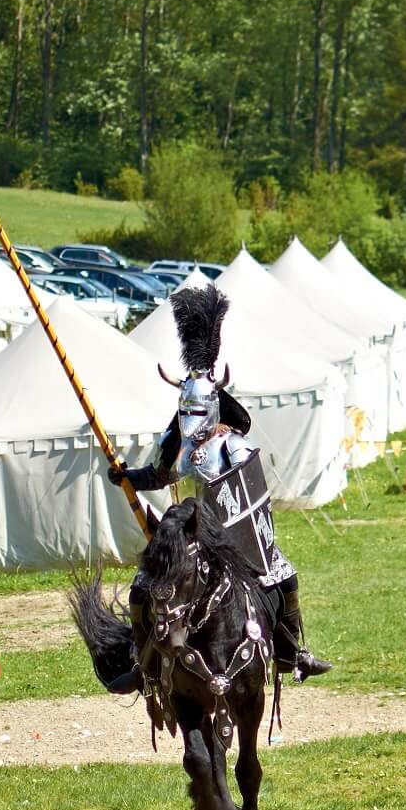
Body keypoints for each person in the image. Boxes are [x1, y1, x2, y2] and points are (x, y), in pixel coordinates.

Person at [107, 285, 331, 687]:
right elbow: (160, 477)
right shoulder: (176, 446)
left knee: (286, 575)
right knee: (143, 588)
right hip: (186, 539)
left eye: (199, 408)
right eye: (186, 409)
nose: (192, 416)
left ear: (214, 405)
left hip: (233, 541)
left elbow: (250, 494)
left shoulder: (233, 444)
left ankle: (292, 651)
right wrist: (127, 476)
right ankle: (143, 669)